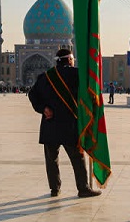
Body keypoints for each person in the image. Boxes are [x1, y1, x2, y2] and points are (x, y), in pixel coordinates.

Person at [28, 48, 101, 198]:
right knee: (77, 158)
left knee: (51, 159)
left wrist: (43, 108)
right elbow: (91, 88)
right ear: (69, 60)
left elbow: (32, 94)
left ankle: (54, 189)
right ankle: (83, 188)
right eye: (73, 60)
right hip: (69, 126)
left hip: (50, 125)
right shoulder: (76, 74)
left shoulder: (45, 77)